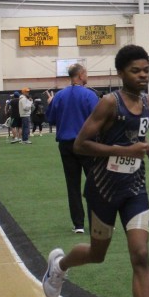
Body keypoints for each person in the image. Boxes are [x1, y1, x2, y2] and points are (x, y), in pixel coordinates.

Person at [42, 44, 149, 297]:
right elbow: (80, 144)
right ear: (121, 73)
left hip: (134, 188)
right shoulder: (108, 104)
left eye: (146, 70)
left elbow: (137, 142)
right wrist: (125, 152)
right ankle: (59, 266)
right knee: (97, 253)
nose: (142, 76)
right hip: (103, 189)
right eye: (135, 71)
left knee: (140, 254)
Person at [46, 63, 100, 233]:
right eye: (86, 73)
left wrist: (51, 103)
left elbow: (51, 119)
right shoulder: (90, 95)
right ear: (81, 75)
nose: (87, 76)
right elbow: (99, 119)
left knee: (72, 185)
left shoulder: (59, 96)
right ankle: (97, 222)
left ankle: (78, 224)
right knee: (94, 184)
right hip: (87, 144)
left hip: (66, 145)